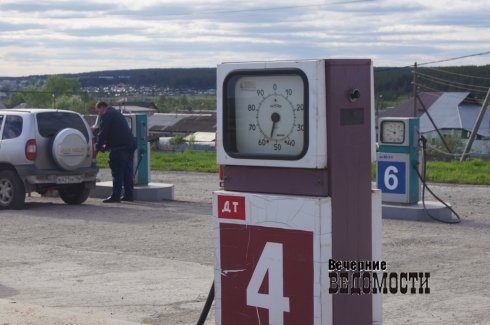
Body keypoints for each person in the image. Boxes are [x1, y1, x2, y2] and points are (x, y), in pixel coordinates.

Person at [95, 101, 137, 203]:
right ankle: (129, 195)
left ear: (103, 107)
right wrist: (107, 144)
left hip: (119, 148)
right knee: (127, 172)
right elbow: (115, 131)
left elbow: (103, 132)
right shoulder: (117, 113)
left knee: (117, 172)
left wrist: (97, 147)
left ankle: (115, 196)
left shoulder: (107, 114)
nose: (98, 113)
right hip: (130, 145)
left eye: (98, 110)